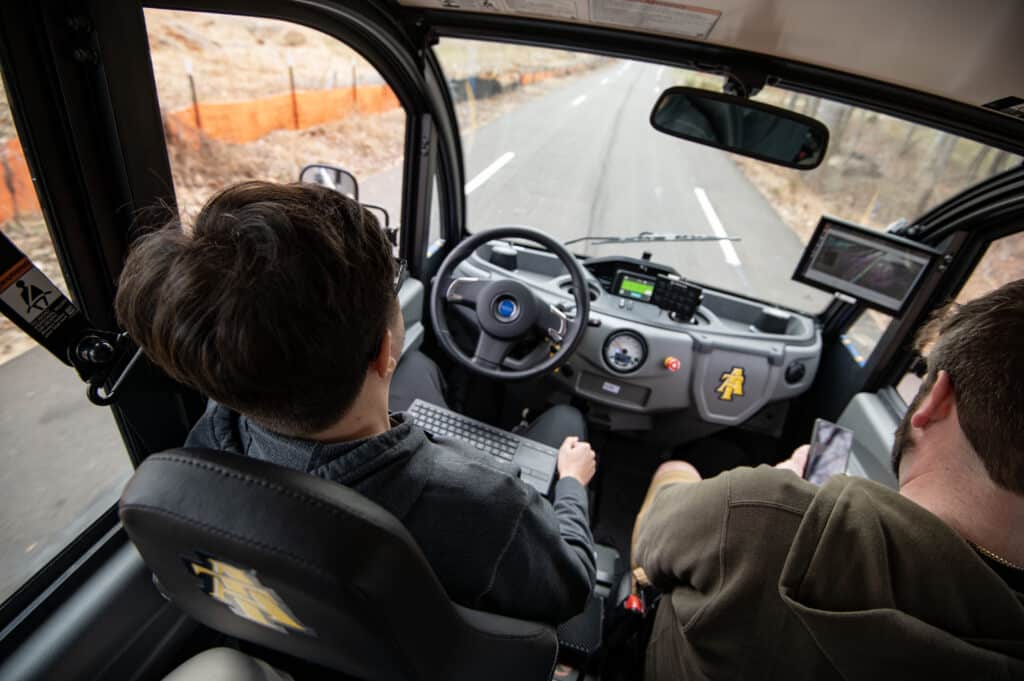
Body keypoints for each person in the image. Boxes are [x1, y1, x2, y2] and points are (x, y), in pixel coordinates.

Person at [115, 181, 597, 624]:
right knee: (565, 418)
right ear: (386, 351)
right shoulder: (488, 507)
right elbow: (569, 589)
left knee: (425, 372)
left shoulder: (203, 458)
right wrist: (572, 484)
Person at [631, 280, 1024, 680]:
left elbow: (650, 548)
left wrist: (781, 488)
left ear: (936, 401)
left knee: (676, 472)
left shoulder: (766, 513)